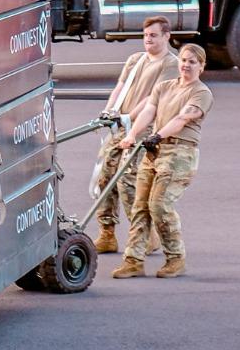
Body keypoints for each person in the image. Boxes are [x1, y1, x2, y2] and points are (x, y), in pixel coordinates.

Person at [112, 43, 213, 281]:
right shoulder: (165, 87)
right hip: (154, 152)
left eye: (192, 62)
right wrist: (132, 135)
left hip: (179, 154)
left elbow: (182, 118)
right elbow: (149, 112)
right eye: (184, 60)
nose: (186, 65)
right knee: (140, 206)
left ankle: (175, 258)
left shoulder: (201, 93)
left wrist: (158, 135)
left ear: (201, 67)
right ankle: (133, 260)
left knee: (159, 205)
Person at [91, 16, 179, 255]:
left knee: (127, 180)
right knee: (105, 176)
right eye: (145, 35)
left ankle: (144, 235)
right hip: (120, 125)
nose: (148, 40)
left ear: (166, 36)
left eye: (153, 35)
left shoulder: (170, 64)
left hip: (144, 129)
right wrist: (110, 111)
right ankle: (107, 233)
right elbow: (121, 88)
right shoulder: (135, 60)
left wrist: (130, 118)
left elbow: (153, 98)